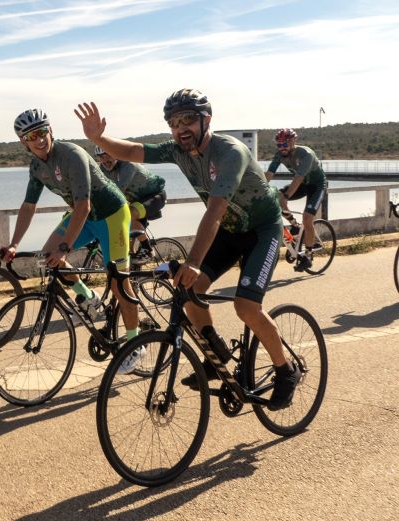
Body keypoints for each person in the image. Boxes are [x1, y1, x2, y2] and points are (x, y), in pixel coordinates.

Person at [75, 90, 300, 410]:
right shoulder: (178, 150)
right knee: (188, 288)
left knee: (246, 307)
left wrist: (194, 260)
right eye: (173, 122)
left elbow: (215, 210)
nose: (181, 128)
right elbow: (136, 151)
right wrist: (101, 138)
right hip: (230, 231)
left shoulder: (229, 153)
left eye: (188, 120)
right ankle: (216, 351)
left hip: (262, 232)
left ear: (206, 120)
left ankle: (285, 370)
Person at [1, 108, 142, 373]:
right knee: (48, 257)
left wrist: (66, 246)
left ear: (50, 130)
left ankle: (135, 342)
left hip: (110, 214)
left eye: (42, 131)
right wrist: (14, 244)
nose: (39, 139)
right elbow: (28, 206)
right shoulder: (36, 166)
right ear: (24, 142)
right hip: (85, 217)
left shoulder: (72, 155)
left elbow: (83, 205)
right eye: (32, 136)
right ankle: (87, 296)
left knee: (119, 282)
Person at [264, 128, 328, 271]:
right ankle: (294, 226)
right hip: (303, 185)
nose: (282, 148)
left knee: (307, 218)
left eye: (285, 144)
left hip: (316, 186)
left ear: (293, 142)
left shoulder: (305, 154)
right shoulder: (279, 155)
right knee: (277, 198)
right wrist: (258, 190)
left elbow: (298, 178)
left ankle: (308, 256)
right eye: (279, 145)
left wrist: (286, 197)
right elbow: (269, 174)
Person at [93, 145, 167, 262]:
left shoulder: (128, 165)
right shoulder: (101, 169)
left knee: (129, 214)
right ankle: (133, 265)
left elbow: (117, 191)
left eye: (108, 155)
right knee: (126, 235)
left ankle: (147, 249)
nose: (105, 160)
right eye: (101, 157)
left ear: (115, 153)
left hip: (155, 196)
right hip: (136, 201)